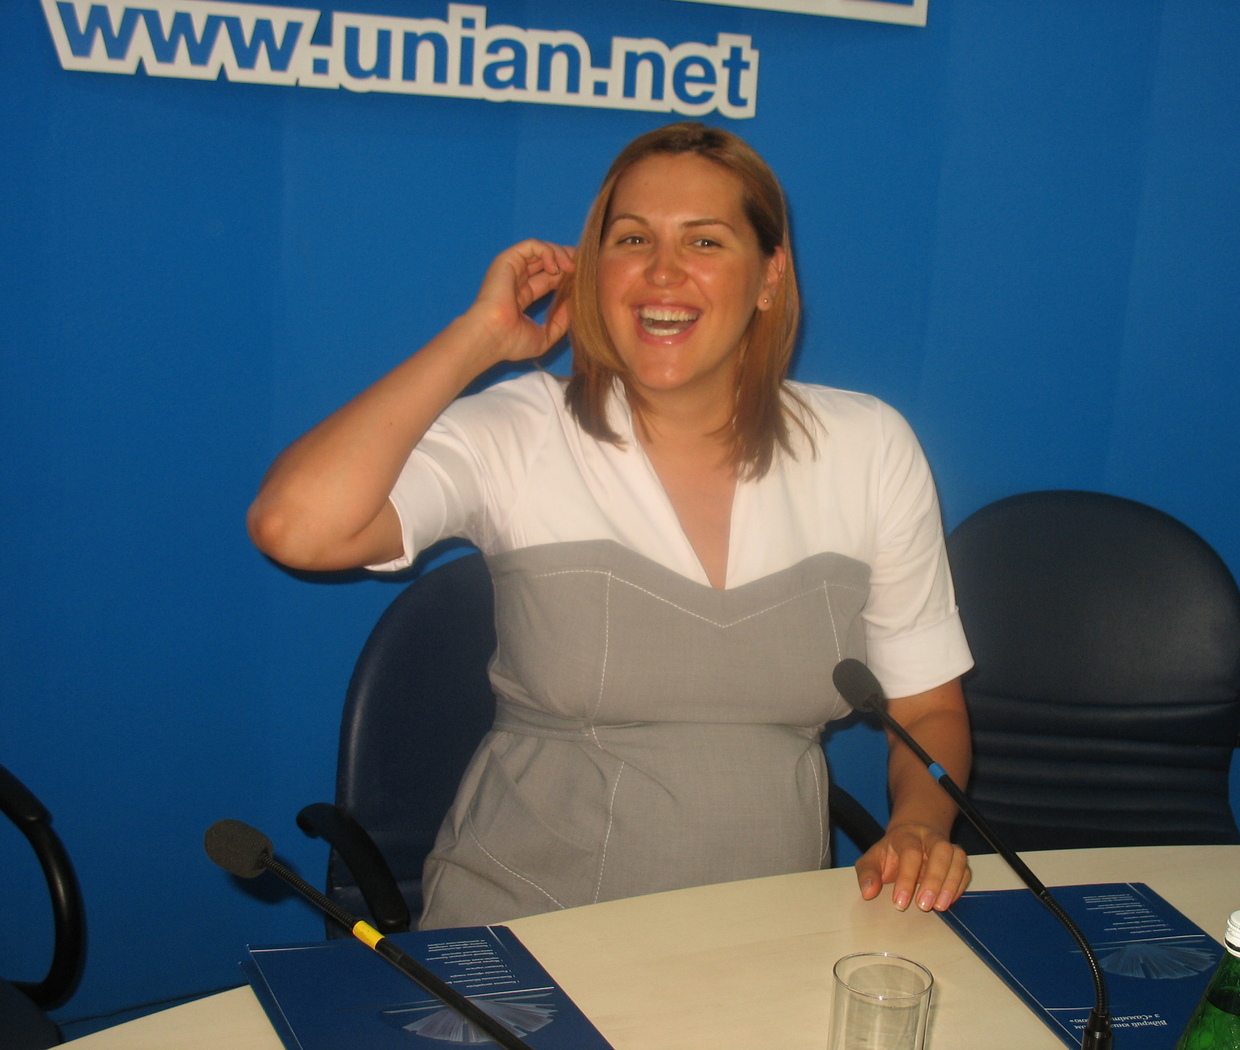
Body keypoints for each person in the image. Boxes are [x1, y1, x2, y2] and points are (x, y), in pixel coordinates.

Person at [248, 122, 975, 930]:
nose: (663, 271)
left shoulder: (868, 447)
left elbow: (929, 710)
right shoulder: (523, 431)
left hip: (765, 941)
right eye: (632, 240)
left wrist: (919, 826)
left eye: (704, 241)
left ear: (770, 276)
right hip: (528, 938)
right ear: (596, 272)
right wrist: (480, 338)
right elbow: (295, 524)